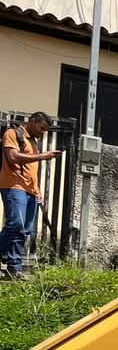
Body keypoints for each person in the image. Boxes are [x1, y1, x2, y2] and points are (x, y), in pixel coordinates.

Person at [0, 112, 60, 279]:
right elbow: (12, 158)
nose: (43, 132)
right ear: (32, 122)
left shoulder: (33, 142)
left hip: (31, 191)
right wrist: (43, 156)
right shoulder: (12, 134)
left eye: (45, 130)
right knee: (15, 224)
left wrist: (38, 190)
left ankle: (14, 269)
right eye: (41, 128)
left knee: (24, 231)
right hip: (14, 186)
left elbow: (31, 170)